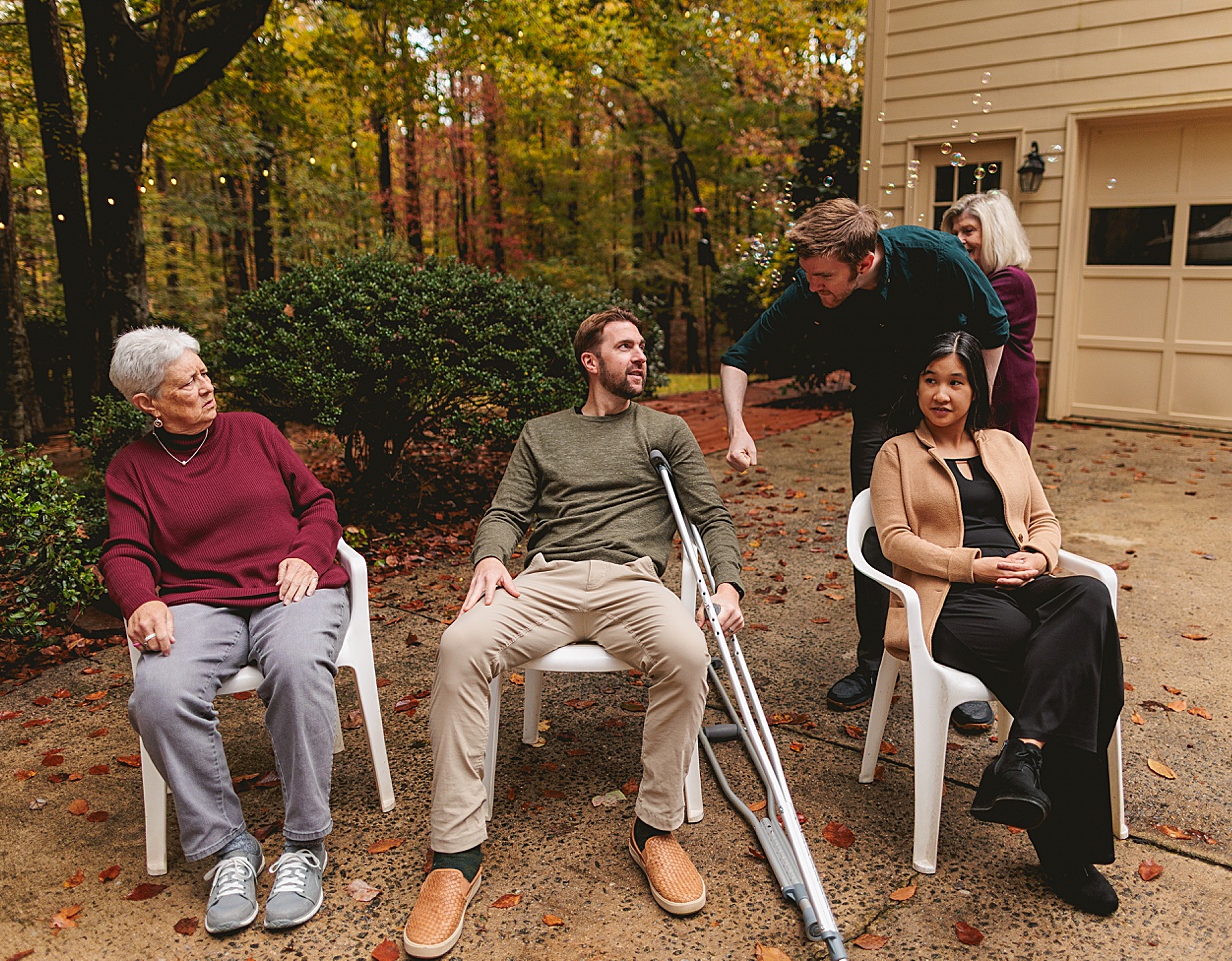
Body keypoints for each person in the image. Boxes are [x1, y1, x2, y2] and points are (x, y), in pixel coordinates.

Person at [402, 308, 745, 958]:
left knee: (686, 649)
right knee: (460, 644)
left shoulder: (665, 430)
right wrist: (490, 556)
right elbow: (505, 510)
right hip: (547, 579)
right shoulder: (543, 433)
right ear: (590, 361)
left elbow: (711, 518)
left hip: (632, 581)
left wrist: (727, 584)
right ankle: (454, 852)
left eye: (643, 345)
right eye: (625, 346)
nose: (640, 355)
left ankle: (655, 830)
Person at [720, 198, 1009, 733]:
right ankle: (875, 662)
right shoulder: (818, 278)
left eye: (824, 276)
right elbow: (739, 355)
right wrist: (738, 427)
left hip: (944, 401)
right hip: (878, 409)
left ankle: (963, 666)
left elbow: (995, 328)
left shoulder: (938, 256)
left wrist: (975, 418)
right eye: (808, 276)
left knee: (958, 531)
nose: (813, 287)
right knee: (876, 536)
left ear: (864, 260)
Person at [100, 327, 348, 935]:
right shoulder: (132, 466)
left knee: (294, 667)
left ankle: (305, 842)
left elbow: (318, 504)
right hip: (198, 604)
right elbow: (124, 549)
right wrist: (141, 600)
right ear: (147, 404)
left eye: (205, 372)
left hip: (288, 587)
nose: (207, 387)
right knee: (157, 695)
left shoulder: (254, 431)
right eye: (188, 383)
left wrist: (307, 554)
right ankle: (229, 848)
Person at [871, 331, 1125, 915]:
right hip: (952, 596)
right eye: (931, 379)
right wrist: (974, 568)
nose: (941, 393)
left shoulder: (1006, 445)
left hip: (1023, 580)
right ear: (916, 386)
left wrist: (1037, 558)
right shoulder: (897, 454)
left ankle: (1022, 752)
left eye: (955, 381)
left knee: (1087, 596)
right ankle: (1065, 853)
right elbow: (895, 542)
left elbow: (1044, 519)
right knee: (1076, 668)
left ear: (974, 389)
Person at [942, 192, 1039, 450]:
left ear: (995, 233)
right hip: (986, 392)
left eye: (969, 230)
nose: (959, 240)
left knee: (1003, 475)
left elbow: (963, 325)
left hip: (1005, 395)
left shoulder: (1012, 281)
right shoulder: (981, 281)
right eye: (955, 232)